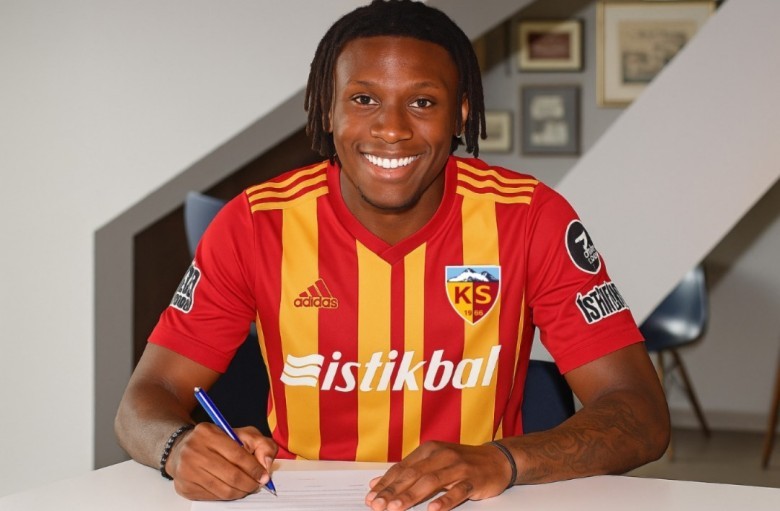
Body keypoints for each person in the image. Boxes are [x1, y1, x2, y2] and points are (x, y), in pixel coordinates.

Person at [115, 1, 670, 510]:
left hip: (474, 504)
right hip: (299, 501)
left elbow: (640, 412)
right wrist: (179, 447)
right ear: (327, 110)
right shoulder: (255, 224)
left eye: (423, 102)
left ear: (461, 114)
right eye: (364, 100)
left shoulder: (530, 218)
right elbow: (144, 400)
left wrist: (502, 459)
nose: (392, 129)